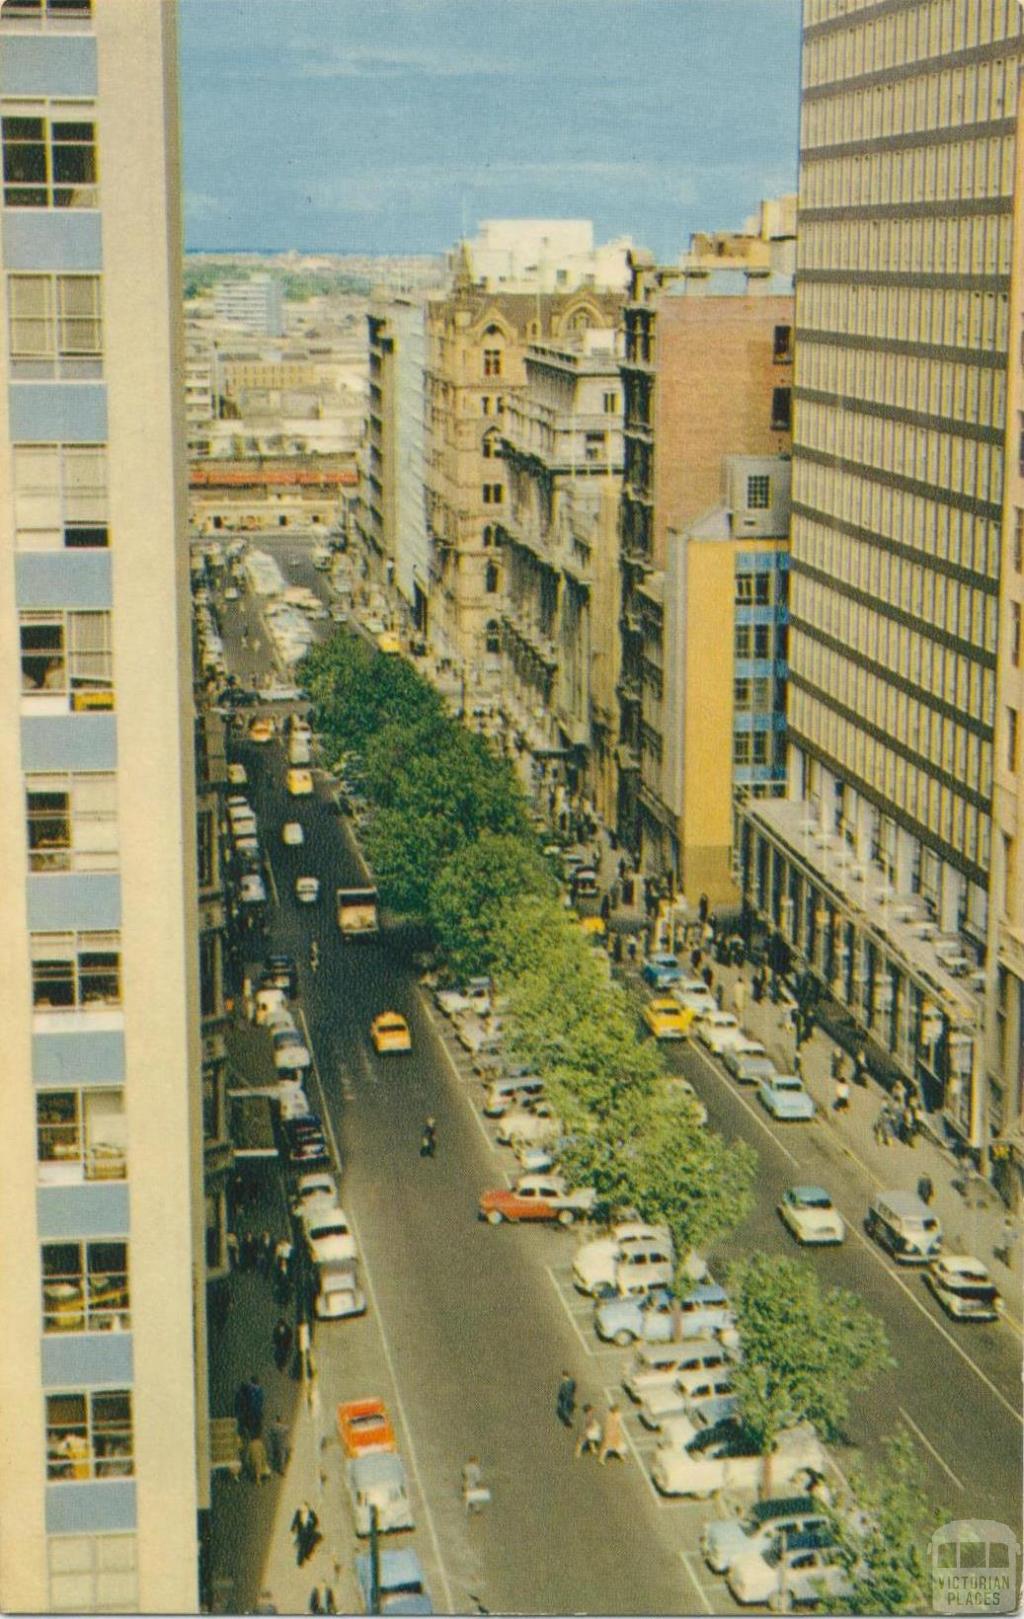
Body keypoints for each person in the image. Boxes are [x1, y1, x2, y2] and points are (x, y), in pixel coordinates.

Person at [291, 1502, 321, 1567]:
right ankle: (299, 1561)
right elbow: (295, 1521)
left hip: (309, 1532)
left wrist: (313, 1525)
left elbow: (316, 1521)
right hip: (301, 1532)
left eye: (305, 1507)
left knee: (310, 1543)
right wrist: (292, 1528)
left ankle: (307, 1554)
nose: (303, 1509)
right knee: (301, 1547)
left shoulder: (311, 1514)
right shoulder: (298, 1513)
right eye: (302, 1507)